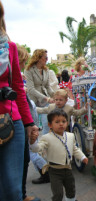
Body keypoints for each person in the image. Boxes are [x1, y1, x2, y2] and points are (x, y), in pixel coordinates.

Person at [0, 2, 39, 200]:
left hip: (10, 122)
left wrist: (30, 123)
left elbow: (18, 89)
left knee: (12, 190)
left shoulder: (10, 48)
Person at [30, 109, 88, 201]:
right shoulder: (47, 138)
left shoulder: (70, 135)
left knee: (71, 188)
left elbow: (74, 149)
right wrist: (33, 143)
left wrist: (82, 157)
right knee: (58, 193)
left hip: (68, 168)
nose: (61, 124)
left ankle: (71, 199)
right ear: (50, 125)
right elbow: (38, 148)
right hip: (54, 170)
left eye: (63, 121)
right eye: (57, 122)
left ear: (67, 122)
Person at [17, 44, 43, 201]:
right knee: (23, 158)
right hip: (20, 121)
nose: (23, 65)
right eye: (22, 61)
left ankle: (21, 193)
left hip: (27, 119)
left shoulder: (20, 76)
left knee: (25, 158)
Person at [25, 49, 55, 135]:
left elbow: (47, 86)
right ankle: (33, 145)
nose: (47, 59)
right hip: (33, 100)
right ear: (38, 58)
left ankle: (44, 145)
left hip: (45, 101)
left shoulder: (46, 70)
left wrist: (55, 95)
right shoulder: (29, 70)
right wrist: (47, 98)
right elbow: (30, 89)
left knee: (46, 124)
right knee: (35, 125)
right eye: (45, 57)